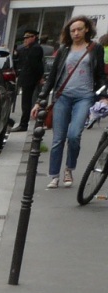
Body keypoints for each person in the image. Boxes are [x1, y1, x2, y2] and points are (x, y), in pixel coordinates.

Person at [33, 15, 108, 188]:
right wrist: (40, 100)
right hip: (63, 96)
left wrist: (104, 96)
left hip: (84, 96)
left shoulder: (94, 48)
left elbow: (100, 75)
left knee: (74, 135)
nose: (75, 33)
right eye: (72, 30)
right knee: (58, 138)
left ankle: (69, 168)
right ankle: (54, 175)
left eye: (79, 29)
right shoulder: (64, 49)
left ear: (87, 29)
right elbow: (52, 77)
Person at [12, 29, 44, 132]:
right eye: (24, 38)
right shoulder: (29, 48)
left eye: (27, 38)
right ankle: (24, 123)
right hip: (28, 78)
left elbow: (36, 65)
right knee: (27, 102)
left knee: (26, 103)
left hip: (30, 79)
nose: (25, 40)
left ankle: (23, 124)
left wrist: (39, 77)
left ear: (33, 37)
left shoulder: (35, 48)